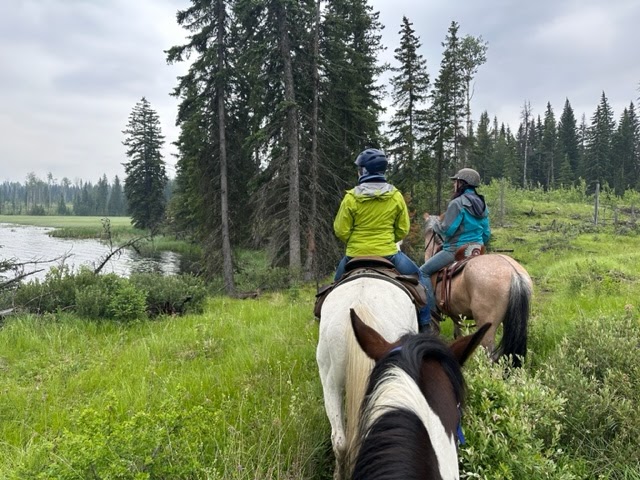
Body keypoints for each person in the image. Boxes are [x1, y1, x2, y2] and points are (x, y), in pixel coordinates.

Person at [333, 148, 432, 331]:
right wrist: (387, 239)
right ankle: (425, 324)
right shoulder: (395, 196)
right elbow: (403, 229)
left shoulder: (351, 197)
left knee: (333, 288)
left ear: (363, 171)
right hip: (389, 254)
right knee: (420, 278)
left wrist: (356, 240)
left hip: (354, 255)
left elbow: (341, 230)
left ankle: (322, 317)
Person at [419, 167, 491, 318]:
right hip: (477, 248)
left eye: (456, 182)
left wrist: (435, 225)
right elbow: (486, 233)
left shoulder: (457, 203)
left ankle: (431, 313)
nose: (454, 185)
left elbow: (448, 230)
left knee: (423, 272)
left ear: (461, 184)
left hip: (456, 249)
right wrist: (478, 244)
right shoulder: (482, 204)